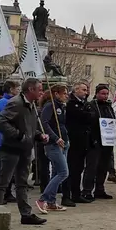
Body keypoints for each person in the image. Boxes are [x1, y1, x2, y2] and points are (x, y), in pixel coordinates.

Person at [0, 78, 49, 224]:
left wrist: (38, 135)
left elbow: (28, 127)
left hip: (25, 149)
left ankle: (26, 215)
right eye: (39, 89)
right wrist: (18, 135)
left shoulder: (32, 105)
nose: (41, 92)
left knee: (22, 183)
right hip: (11, 149)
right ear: (31, 89)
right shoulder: (16, 103)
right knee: (4, 181)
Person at [36, 84, 70, 213]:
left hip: (64, 142)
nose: (66, 95)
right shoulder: (50, 106)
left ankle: (51, 201)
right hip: (53, 144)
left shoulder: (61, 106)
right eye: (64, 93)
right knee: (63, 172)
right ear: (56, 94)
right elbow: (44, 124)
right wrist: (56, 138)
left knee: (57, 172)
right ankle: (43, 199)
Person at [84, 84, 116, 201]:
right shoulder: (91, 105)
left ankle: (99, 189)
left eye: (106, 94)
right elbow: (89, 122)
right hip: (95, 140)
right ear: (96, 94)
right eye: (102, 93)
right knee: (92, 167)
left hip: (107, 141)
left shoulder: (108, 106)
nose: (105, 96)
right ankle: (87, 190)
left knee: (103, 166)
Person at [63, 82, 92, 205]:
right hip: (73, 140)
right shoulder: (71, 104)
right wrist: (87, 114)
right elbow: (82, 116)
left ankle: (76, 193)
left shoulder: (84, 104)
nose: (86, 92)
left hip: (83, 140)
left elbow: (91, 116)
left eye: (86, 90)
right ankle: (66, 195)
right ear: (76, 90)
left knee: (79, 168)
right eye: (84, 90)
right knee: (70, 168)